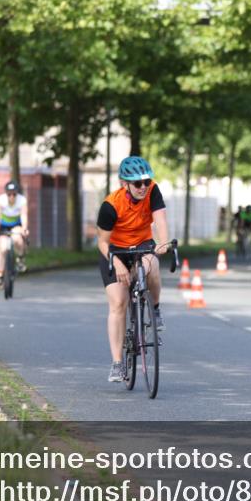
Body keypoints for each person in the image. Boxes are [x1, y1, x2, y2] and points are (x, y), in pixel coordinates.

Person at [96, 156, 173, 383]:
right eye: (137, 183)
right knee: (119, 302)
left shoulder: (153, 191)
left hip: (142, 244)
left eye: (146, 182)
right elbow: (102, 242)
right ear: (124, 184)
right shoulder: (111, 205)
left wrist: (163, 242)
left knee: (153, 265)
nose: (143, 187)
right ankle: (118, 364)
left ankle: (155, 309)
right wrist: (117, 262)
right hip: (114, 250)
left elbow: (160, 220)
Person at [0, 181, 29, 287]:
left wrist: (24, 228)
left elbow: (24, 215)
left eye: (14, 194)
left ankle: (20, 258)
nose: (11, 196)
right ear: (6, 193)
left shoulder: (22, 201)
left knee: (18, 239)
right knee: (2, 249)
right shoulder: (0, 200)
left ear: (17, 193)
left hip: (16, 224)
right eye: (9, 194)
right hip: (4, 226)